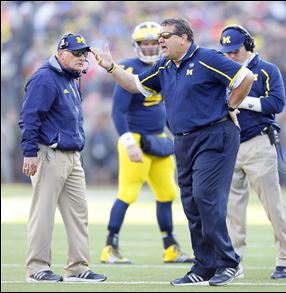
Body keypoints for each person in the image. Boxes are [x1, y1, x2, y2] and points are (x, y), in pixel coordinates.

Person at [91, 18, 254, 286]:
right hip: (183, 140)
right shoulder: (165, 65)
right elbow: (134, 85)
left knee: (206, 198)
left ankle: (229, 262)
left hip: (214, 135)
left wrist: (231, 105)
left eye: (166, 35)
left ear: (185, 38)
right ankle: (204, 267)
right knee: (191, 204)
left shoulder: (206, 57)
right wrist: (110, 66)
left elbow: (244, 77)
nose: (160, 40)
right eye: (159, 36)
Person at [100, 21, 193, 264]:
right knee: (128, 194)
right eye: (145, 43)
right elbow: (118, 111)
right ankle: (110, 247)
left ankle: (170, 247)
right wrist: (128, 141)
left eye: (154, 42)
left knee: (167, 193)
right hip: (136, 138)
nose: (151, 47)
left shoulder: (167, 66)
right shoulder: (128, 68)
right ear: (136, 45)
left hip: (159, 138)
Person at [19, 33, 107, 283]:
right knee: (43, 213)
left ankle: (77, 268)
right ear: (61, 54)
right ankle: (37, 269)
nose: (82, 58)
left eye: (84, 53)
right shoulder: (45, 78)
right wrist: (29, 152)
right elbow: (30, 118)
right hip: (49, 154)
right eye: (76, 53)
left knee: (79, 214)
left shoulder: (71, 78)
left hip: (72, 156)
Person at [219, 24, 286, 279]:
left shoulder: (267, 70)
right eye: (228, 51)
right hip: (229, 143)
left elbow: (277, 103)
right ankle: (234, 262)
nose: (232, 55)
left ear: (249, 46)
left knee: (273, 206)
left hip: (257, 143)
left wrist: (241, 101)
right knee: (232, 210)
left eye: (236, 50)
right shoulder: (222, 69)